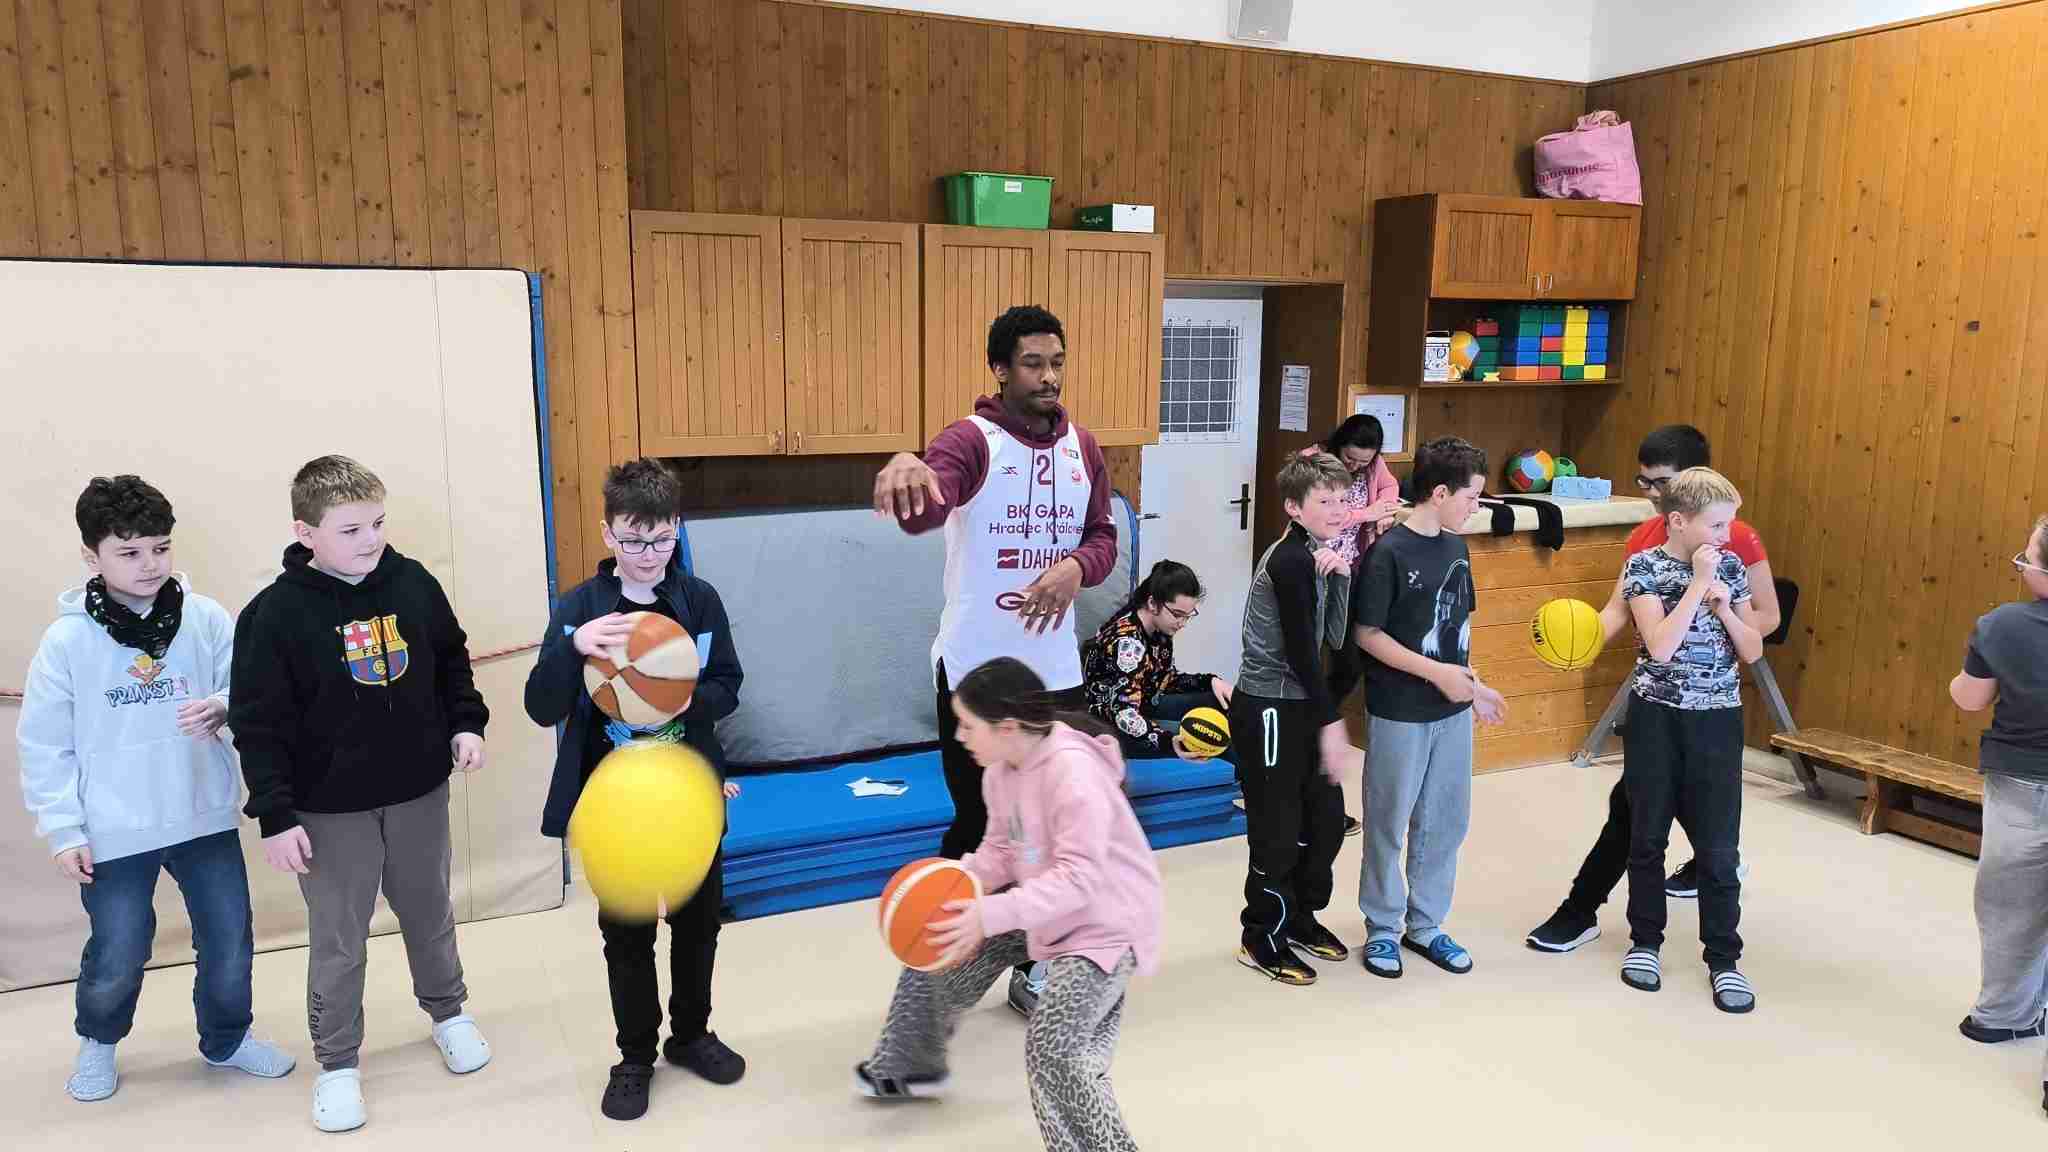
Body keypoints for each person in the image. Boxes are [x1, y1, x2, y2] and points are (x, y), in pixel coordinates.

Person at [230, 455, 492, 1133]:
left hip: (417, 793)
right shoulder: (273, 615)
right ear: (305, 532)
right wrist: (275, 815)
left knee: (430, 911)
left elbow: (452, 659)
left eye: (377, 523)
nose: (371, 540)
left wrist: (465, 723)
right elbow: (257, 724)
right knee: (339, 939)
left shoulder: (414, 582)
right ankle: (338, 1063)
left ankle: (449, 1012)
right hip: (327, 810)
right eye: (350, 530)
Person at [873, 304, 1118, 1017]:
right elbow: (926, 507)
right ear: (1001, 370)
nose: (1049, 377)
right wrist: (909, 467)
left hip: (1055, 680)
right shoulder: (970, 441)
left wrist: (1076, 566)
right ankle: (938, 962)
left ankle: (1037, 965)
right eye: (1033, 364)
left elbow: (1103, 538)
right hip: (977, 678)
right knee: (981, 830)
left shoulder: (1085, 449)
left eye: (1057, 362)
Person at [17, 476, 294, 1103]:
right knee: (119, 948)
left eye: (161, 548)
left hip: (202, 815)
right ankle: (98, 1041)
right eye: (130, 552)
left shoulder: (205, 618)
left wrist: (222, 705)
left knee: (228, 939)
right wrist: (63, 830)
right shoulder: (66, 641)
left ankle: (227, 1039)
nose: (150, 564)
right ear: (91, 556)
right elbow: (44, 744)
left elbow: (249, 690)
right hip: (113, 828)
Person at [855, 657, 1162, 1152]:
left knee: (1054, 1053)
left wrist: (988, 914)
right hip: (1051, 907)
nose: (959, 736)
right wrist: (954, 884)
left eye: (968, 725)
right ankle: (910, 1062)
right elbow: (1000, 849)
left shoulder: (1073, 774)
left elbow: (1080, 879)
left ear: (1008, 727)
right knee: (947, 948)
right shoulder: (1000, 773)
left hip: (1107, 922)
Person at [525, 459, 747, 1121]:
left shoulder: (699, 600)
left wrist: (678, 696)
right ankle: (634, 1056)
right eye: (632, 540)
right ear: (607, 532)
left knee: (698, 924)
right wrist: (574, 649)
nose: (648, 555)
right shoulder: (581, 609)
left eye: (661, 539)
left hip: (688, 797)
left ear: (676, 528)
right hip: (616, 805)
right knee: (626, 933)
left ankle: (691, 1034)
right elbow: (541, 706)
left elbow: (729, 684)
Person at [1524, 425, 1782, 954]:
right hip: (1659, 703)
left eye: (1660, 483)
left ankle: (1589, 908)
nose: (1652, 494)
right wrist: (1577, 647)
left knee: (1648, 814)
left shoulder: (1733, 538)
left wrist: (1719, 621)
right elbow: (1617, 612)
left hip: (1710, 702)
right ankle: (1591, 911)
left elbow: (1767, 618)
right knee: (1638, 816)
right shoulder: (1645, 542)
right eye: (1645, 483)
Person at [1348, 436, 1505, 980]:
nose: (1476, 507)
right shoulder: (1388, 553)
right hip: (1399, 710)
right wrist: (1437, 675)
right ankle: (1383, 927)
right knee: (1389, 822)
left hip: (1451, 713)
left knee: (1445, 821)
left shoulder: (1457, 549)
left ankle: (1425, 924)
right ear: (1439, 493)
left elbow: (1456, 632)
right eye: (1472, 497)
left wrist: (1474, 687)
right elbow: (1368, 634)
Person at [1612, 467, 1763, 1013]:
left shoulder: (1733, 568)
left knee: (1720, 848)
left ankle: (1724, 959)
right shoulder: (1644, 567)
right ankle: (1645, 942)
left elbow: (1752, 650)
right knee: (1647, 836)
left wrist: (1725, 607)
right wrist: (1698, 586)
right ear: (1678, 521)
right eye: (1717, 525)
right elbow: (1660, 647)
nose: (1726, 535)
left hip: (1717, 720)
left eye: (1730, 525)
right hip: (1656, 718)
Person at [1230, 452, 1356, 985]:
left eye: (1342, 499)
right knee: (1277, 833)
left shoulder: (1317, 557)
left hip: (1302, 704)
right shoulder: (1289, 561)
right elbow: (1304, 653)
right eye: (1324, 500)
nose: (1337, 509)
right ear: (1293, 507)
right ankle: (1261, 937)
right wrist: (1332, 722)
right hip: (1269, 709)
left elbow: (1334, 638)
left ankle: (1301, 918)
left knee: (1325, 824)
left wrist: (1342, 578)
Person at [1949, 514, 2048, 1116]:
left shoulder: (2004, 624)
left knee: (2009, 903)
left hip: (2020, 785)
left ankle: (2002, 1015)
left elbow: (1970, 697)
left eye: (2027, 558)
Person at [1081, 560, 1232, 760]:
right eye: (1178, 615)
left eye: (1188, 616)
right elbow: (1123, 715)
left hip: (1146, 704)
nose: (1182, 623)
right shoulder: (1128, 643)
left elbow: (1165, 680)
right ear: (1152, 603)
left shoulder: (1160, 631)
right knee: (1214, 739)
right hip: (1114, 727)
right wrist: (1169, 743)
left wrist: (1210, 681)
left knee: (1222, 703)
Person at [1317, 414, 1403, 573]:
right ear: (1339, 444)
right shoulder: (1315, 461)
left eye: (1364, 462)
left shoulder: (1375, 463)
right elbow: (1321, 516)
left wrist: (1385, 511)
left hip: (1352, 555)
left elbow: (1389, 485)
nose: (1355, 466)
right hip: (1317, 554)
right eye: (1349, 458)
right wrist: (1367, 514)